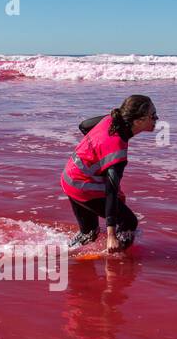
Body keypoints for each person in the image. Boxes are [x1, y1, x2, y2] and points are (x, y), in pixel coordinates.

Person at [60, 94, 157, 252]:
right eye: (152, 116)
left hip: (69, 177)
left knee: (90, 233)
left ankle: (66, 252)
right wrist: (111, 235)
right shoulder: (116, 149)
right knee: (129, 222)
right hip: (82, 185)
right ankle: (113, 257)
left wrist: (97, 151)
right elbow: (110, 191)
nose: (157, 118)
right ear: (138, 121)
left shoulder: (110, 119)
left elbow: (84, 126)